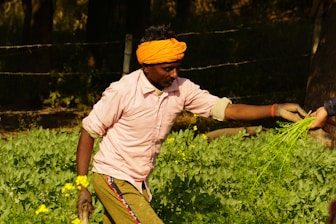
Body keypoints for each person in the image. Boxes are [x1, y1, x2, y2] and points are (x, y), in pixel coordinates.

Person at [75, 24, 307, 224]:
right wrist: (82, 186)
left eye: (177, 66)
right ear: (146, 66)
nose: (175, 74)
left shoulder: (182, 89)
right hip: (112, 177)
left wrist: (276, 110)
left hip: (139, 183)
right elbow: (89, 132)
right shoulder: (123, 91)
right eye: (168, 68)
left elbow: (227, 110)